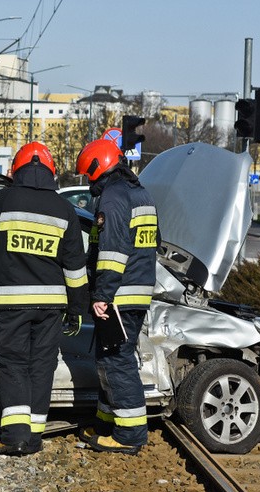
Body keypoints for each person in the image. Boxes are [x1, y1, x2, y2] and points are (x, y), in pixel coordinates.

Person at [0, 141, 88, 456]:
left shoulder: (7, 199)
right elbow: (75, 267)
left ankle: (16, 437)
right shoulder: (65, 209)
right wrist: (77, 308)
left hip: (14, 303)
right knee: (42, 366)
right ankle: (33, 436)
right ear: (51, 173)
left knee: (15, 365)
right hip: (52, 307)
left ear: (15, 171)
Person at [75, 138, 158, 455]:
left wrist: (102, 294)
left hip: (119, 295)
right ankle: (106, 423)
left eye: (89, 175)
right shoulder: (141, 195)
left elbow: (112, 254)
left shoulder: (112, 198)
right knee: (109, 360)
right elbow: (152, 244)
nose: (89, 182)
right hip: (136, 293)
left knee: (117, 362)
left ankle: (130, 434)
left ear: (98, 167)